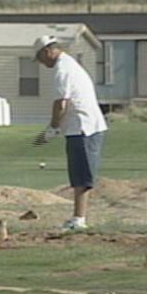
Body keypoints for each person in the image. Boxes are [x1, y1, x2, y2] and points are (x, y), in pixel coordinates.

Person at [32, 35, 108, 231]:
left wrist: (53, 127)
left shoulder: (63, 69)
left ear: (47, 52)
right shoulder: (68, 64)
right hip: (83, 126)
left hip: (82, 126)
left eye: (40, 58)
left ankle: (79, 219)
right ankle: (78, 217)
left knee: (81, 175)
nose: (41, 63)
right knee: (79, 174)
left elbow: (61, 103)